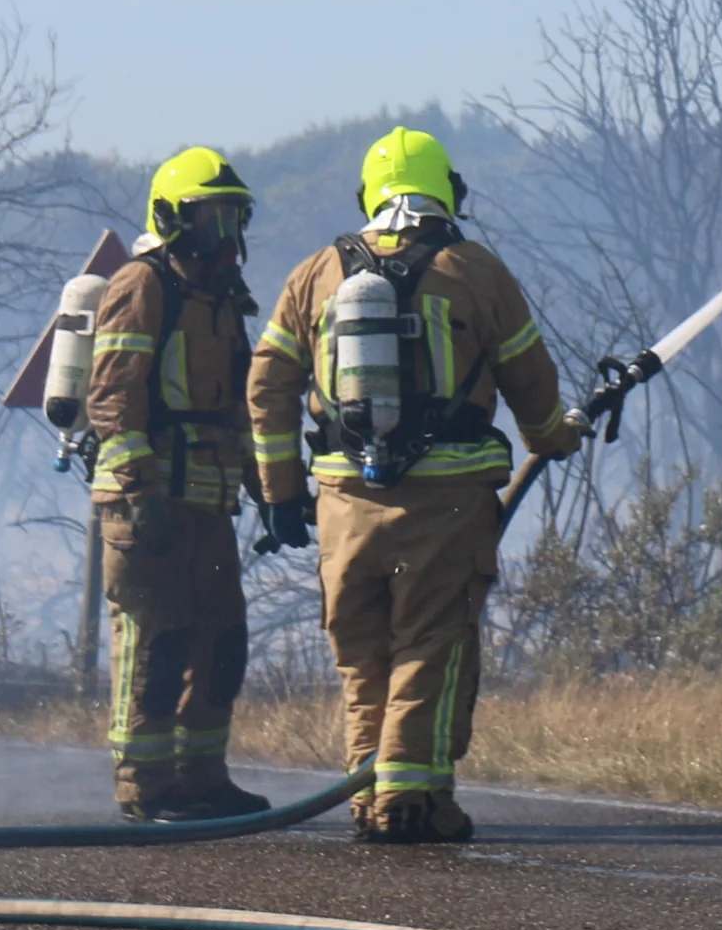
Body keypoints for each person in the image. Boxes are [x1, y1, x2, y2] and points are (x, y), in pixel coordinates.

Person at [246, 126, 584, 844]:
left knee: (363, 650)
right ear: (448, 192)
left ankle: (370, 790)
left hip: (343, 503)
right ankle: (408, 800)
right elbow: (532, 382)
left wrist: (279, 492)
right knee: (431, 642)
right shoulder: (475, 270)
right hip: (446, 498)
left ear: (369, 194)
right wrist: (558, 435)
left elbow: (267, 383)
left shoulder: (315, 274)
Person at [83, 146, 271, 823]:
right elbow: (112, 401)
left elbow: (239, 407)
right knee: (155, 643)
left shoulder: (221, 299)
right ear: (172, 217)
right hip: (150, 506)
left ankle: (202, 778)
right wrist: (141, 493)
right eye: (210, 217)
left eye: (232, 218)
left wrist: (269, 491)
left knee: (222, 641)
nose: (225, 235)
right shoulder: (143, 285)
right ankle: (146, 789)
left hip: (210, 505)